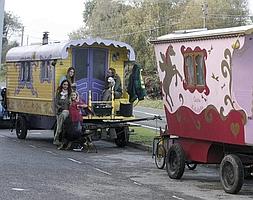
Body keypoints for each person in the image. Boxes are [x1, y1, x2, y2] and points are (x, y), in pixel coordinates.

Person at [54, 79, 72, 147]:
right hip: (60, 111)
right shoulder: (59, 93)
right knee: (59, 127)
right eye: (64, 84)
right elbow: (56, 102)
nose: (65, 86)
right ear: (62, 85)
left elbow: (73, 101)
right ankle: (56, 139)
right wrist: (59, 108)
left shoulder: (70, 93)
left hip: (67, 111)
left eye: (67, 85)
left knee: (65, 113)